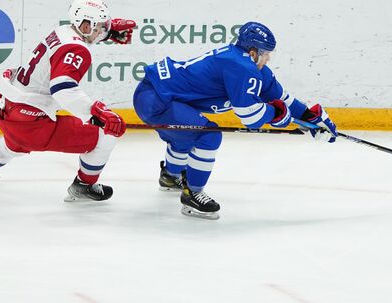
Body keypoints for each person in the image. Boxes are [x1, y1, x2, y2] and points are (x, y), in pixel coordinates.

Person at [133, 21, 338, 219]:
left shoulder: (250, 67)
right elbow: (250, 115)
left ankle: (170, 176)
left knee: (186, 136)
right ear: (253, 52)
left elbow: (283, 99)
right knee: (207, 137)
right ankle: (192, 194)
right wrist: (276, 115)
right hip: (156, 100)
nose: (268, 59)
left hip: (155, 94)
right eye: (266, 54)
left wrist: (309, 116)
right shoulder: (242, 67)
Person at [0, 0, 136, 202]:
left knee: (13, 143)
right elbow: (62, 88)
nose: (105, 29)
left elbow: (81, 39)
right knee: (105, 133)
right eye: (102, 26)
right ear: (86, 25)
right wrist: (98, 113)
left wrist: (109, 32)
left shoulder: (62, 31)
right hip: (28, 122)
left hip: (6, 106)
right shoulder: (78, 50)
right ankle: (85, 184)